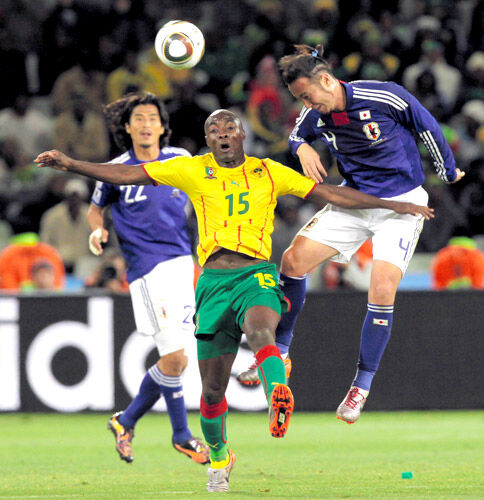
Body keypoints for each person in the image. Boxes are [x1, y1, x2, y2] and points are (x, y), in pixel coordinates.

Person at [35, 109, 433, 492]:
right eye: (214, 130)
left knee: (261, 331)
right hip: (212, 283)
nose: (223, 134)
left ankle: (277, 395)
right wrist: (71, 164)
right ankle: (220, 459)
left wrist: (393, 205)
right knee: (211, 392)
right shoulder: (191, 169)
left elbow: (329, 193)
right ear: (207, 140)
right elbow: (127, 174)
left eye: (229, 128)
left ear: (242, 135)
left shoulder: (268, 171)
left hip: (255, 275)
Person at [236, 44, 462, 425]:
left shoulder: (382, 95)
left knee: (382, 288)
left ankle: (361, 386)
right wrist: (302, 147)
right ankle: (281, 354)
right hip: (354, 200)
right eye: (300, 99)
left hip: (402, 204)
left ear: (326, 80)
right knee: (292, 260)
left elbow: (424, 122)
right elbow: (296, 134)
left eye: (307, 96)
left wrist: (448, 169)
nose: (307, 104)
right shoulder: (315, 113)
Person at [85, 93, 209, 466]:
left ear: (161, 126)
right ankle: (181, 436)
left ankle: (125, 421)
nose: (145, 124)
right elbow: (95, 209)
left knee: (178, 361)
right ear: (127, 127)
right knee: (174, 357)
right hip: (147, 270)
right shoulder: (117, 168)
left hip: (182, 265)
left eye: (151, 118)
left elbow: (203, 196)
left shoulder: (179, 159)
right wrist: (97, 231)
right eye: (137, 118)